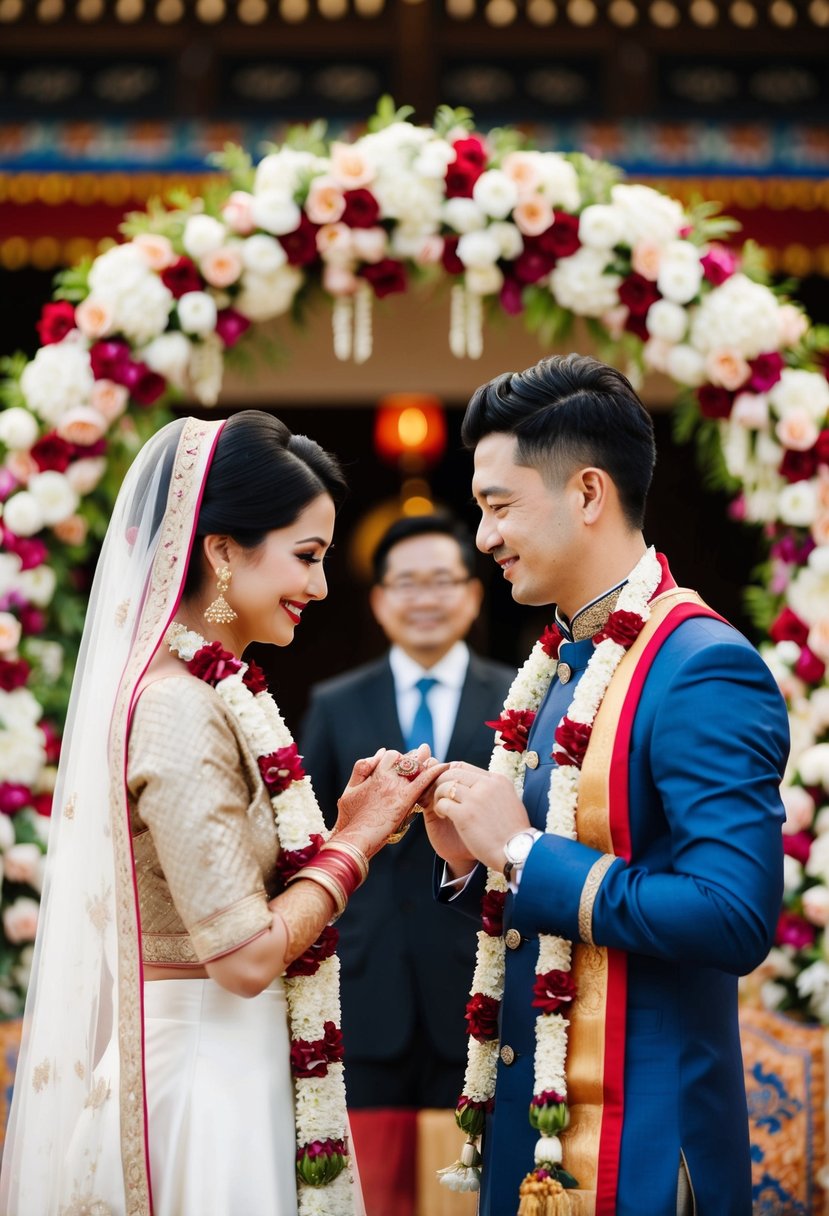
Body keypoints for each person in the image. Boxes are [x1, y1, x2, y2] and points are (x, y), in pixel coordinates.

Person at [0, 411, 446, 1216]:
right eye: (304, 557)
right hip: (205, 1094)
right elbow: (241, 959)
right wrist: (357, 839)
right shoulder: (179, 706)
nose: (317, 585)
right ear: (220, 549)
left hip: (235, 1070)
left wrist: (335, 831)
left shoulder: (210, 688)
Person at [423, 354, 789, 1216]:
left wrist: (517, 848)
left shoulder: (703, 667)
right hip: (537, 1140)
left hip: (643, 1148)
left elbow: (733, 917)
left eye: (498, 505)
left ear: (587, 493)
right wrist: (477, 857)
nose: (483, 538)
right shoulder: (562, 659)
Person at [300, 513, 514, 1216]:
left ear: (474, 594)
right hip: (365, 985)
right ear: (379, 598)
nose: (424, 598)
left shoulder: (517, 697)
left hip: (480, 983)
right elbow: (312, 837)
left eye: (442, 580)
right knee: (367, 1187)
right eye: (406, 583)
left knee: (473, 1181)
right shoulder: (333, 703)